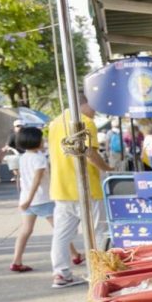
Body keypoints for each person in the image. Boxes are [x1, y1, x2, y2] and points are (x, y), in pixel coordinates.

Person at [48, 94, 110, 288]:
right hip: (86, 187)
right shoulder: (85, 122)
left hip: (60, 188)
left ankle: (61, 273)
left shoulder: (55, 123)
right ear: (85, 104)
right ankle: (101, 271)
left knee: (61, 234)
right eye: (94, 107)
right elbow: (90, 154)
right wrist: (108, 169)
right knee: (98, 231)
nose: (95, 112)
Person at [10, 127, 82, 272]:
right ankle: (75, 255)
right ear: (36, 141)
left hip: (27, 200)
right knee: (61, 230)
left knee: (26, 230)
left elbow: (22, 179)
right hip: (42, 199)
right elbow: (37, 180)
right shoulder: (39, 158)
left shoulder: (23, 158)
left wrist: (25, 199)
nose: (43, 141)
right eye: (41, 138)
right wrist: (30, 198)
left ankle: (16, 261)